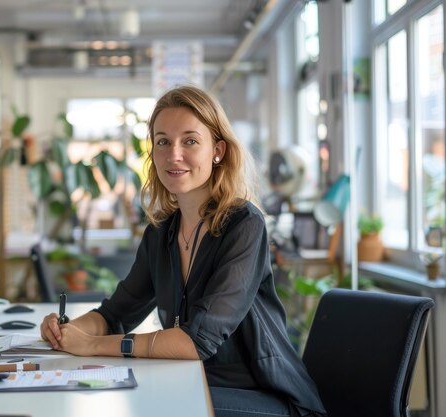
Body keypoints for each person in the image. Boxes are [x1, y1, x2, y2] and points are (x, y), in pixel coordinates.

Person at [40, 85, 326, 417]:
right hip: (191, 382)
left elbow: (196, 342)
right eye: (163, 141)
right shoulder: (161, 234)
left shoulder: (244, 225)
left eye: (190, 141)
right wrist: (69, 331)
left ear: (217, 150)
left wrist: (90, 346)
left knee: (142, 407)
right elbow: (115, 315)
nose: (173, 154)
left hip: (262, 395)